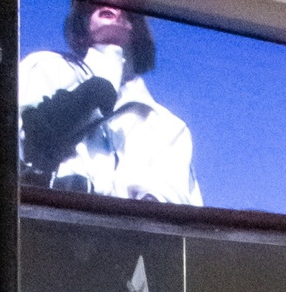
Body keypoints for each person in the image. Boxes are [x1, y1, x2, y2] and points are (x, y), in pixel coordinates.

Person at [19, 7, 200, 208]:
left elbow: (174, 211)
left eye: (126, 5)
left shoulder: (168, 126)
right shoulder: (45, 67)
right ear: (83, 19)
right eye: (95, 3)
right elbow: (13, 145)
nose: (111, 6)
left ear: (137, 24)